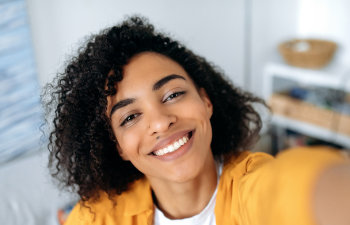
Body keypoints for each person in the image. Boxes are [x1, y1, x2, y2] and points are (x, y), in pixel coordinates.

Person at [45, 16, 350, 225]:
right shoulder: (96, 217)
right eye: (131, 117)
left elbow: (294, 187)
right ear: (118, 147)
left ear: (206, 101)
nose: (161, 123)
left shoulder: (251, 186)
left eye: (172, 95)